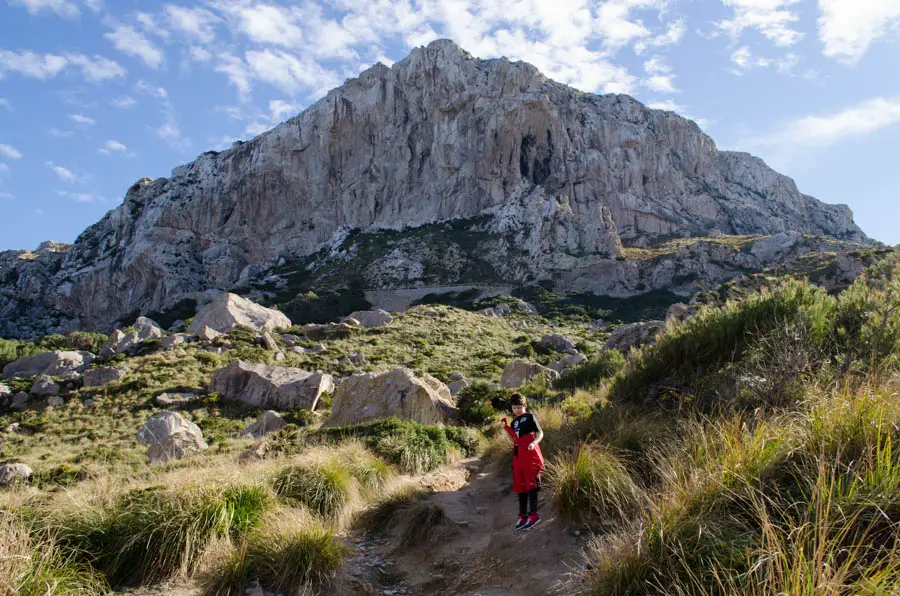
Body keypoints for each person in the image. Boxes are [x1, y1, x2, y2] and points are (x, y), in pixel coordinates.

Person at [501, 392, 545, 530]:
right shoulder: (514, 422)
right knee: (521, 485)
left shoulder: (530, 417)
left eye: (520, 407)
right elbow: (514, 439)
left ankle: (534, 515)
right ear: (512, 409)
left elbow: (540, 433)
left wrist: (534, 443)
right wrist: (506, 429)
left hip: (529, 452)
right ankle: (522, 516)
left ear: (524, 406)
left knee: (532, 483)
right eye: (515, 408)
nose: (517, 410)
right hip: (518, 454)